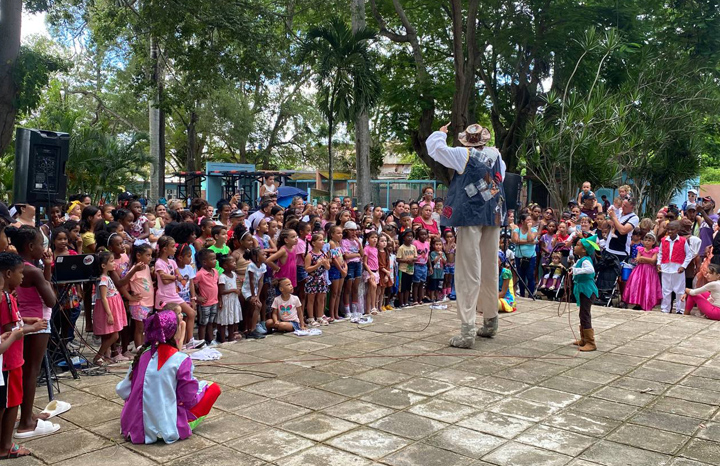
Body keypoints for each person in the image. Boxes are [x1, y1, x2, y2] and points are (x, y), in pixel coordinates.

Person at [426, 122, 507, 348]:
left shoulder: (464, 154)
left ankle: (467, 330)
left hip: (471, 214)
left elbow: (435, 149)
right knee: (490, 267)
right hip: (493, 214)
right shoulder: (497, 155)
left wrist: (439, 134)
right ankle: (491, 321)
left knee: (468, 270)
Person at [116, 308, 221, 444]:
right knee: (213, 388)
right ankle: (181, 425)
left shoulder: (142, 354)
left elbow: (123, 390)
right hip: (166, 427)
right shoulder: (180, 359)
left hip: (133, 427)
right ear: (174, 331)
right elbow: (189, 397)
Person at [5, 226, 60, 439]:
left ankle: (26, 413)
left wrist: (46, 268)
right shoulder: (33, 271)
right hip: (37, 322)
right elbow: (51, 300)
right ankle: (26, 421)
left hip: (20, 320)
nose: (43, 248)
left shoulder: (16, 266)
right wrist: (45, 273)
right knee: (32, 371)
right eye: (40, 245)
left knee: (26, 369)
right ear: (30, 246)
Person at [0, 252, 49, 458]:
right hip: (10, 360)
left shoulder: (8, 297)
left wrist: (25, 319)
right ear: (8, 273)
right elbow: (12, 330)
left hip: (11, 360)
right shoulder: (6, 299)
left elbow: (13, 322)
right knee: (11, 404)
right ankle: (5, 447)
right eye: (20, 273)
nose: (22, 277)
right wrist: (34, 327)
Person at [92, 251, 128, 365]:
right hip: (108, 309)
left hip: (113, 306)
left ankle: (105, 356)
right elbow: (103, 298)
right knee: (114, 335)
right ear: (103, 266)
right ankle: (98, 355)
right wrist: (109, 314)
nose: (114, 264)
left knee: (110, 334)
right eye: (111, 262)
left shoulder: (107, 277)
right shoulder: (103, 280)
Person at [570, 235, 600, 351]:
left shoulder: (586, 260)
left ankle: (590, 343)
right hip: (582, 290)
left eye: (577, 245)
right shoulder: (579, 260)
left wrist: (576, 271)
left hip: (587, 290)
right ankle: (584, 339)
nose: (574, 247)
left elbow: (590, 270)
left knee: (585, 314)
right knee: (582, 314)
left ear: (584, 250)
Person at [657, 221, 692, 314]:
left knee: (679, 290)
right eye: (668, 229)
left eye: (672, 229)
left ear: (677, 230)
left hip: (677, 269)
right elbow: (660, 253)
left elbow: (689, 255)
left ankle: (680, 309)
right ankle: (665, 309)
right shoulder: (664, 240)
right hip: (665, 268)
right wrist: (658, 263)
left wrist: (683, 266)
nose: (670, 231)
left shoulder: (683, 241)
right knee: (665, 290)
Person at [623, 232, 661, 311]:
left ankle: (647, 302)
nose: (647, 242)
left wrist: (643, 258)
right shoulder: (640, 249)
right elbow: (637, 259)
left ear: (653, 242)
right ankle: (638, 303)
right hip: (640, 270)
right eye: (645, 240)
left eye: (649, 240)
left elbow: (653, 260)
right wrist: (646, 260)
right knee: (638, 285)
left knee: (648, 286)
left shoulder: (655, 250)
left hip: (650, 271)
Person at [128, 244, 154, 349]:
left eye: (151, 255)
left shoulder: (147, 267)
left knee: (145, 327)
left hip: (148, 303)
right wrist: (130, 297)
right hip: (139, 304)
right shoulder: (134, 269)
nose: (150, 257)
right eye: (148, 255)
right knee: (139, 328)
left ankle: (144, 346)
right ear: (139, 255)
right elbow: (124, 284)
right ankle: (139, 348)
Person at [305, 233, 331, 326]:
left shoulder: (323, 254)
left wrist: (325, 263)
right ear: (314, 243)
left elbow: (328, 267)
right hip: (312, 279)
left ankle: (320, 316)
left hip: (321, 279)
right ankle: (311, 318)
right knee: (311, 299)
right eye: (320, 240)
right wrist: (318, 265)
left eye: (323, 240)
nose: (323, 242)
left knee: (321, 299)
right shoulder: (310, 255)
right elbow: (307, 268)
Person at [194, 249, 219, 345]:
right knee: (203, 323)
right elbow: (192, 285)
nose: (215, 261)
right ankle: (201, 341)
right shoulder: (200, 274)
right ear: (204, 262)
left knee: (211, 322)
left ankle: (210, 339)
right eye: (212, 259)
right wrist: (197, 296)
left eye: (215, 258)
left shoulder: (215, 272)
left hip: (214, 301)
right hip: (205, 303)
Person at [241, 248, 267, 338]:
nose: (265, 256)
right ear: (257, 258)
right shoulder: (251, 266)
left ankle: (252, 329)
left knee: (256, 306)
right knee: (256, 306)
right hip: (247, 290)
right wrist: (253, 296)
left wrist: (257, 296)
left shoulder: (263, 266)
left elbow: (261, 282)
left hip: (255, 291)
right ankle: (252, 330)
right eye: (263, 254)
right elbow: (251, 281)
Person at [341, 222, 363, 320]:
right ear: (346, 230)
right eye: (351, 230)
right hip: (350, 264)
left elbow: (362, 253)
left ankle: (354, 310)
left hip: (358, 264)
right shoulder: (344, 241)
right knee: (348, 288)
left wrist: (359, 243)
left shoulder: (357, 241)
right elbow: (346, 255)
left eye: (355, 230)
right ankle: (347, 310)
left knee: (355, 288)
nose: (354, 232)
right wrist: (357, 254)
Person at [512, 213, 538, 297]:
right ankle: (522, 294)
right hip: (519, 257)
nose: (530, 221)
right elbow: (516, 240)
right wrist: (529, 242)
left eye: (531, 220)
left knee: (530, 275)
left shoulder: (533, 230)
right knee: (521, 276)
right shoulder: (517, 230)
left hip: (530, 257)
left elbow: (531, 238)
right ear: (522, 221)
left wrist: (529, 228)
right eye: (528, 220)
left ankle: (531, 294)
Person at [217, 255, 241, 343]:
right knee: (224, 321)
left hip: (233, 301)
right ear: (225, 266)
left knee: (232, 320)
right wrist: (234, 290)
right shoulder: (222, 277)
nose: (235, 263)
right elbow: (221, 291)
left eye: (234, 261)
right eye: (232, 262)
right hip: (226, 301)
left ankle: (231, 337)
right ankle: (223, 340)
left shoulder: (234, 274)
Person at [327, 225, 348, 321]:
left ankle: (336, 313)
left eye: (341, 233)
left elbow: (342, 257)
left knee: (339, 292)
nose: (340, 235)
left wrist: (345, 267)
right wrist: (341, 269)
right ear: (332, 234)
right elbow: (334, 259)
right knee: (334, 293)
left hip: (342, 268)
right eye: (338, 233)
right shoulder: (331, 243)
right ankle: (332, 314)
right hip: (335, 269)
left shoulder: (338, 243)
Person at [396, 230, 417, 308]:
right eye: (408, 236)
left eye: (411, 236)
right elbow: (398, 259)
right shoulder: (401, 248)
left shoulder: (413, 247)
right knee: (402, 288)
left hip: (410, 270)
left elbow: (416, 257)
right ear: (404, 237)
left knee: (408, 287)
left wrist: (412, 260)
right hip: (403, 270)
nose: (410, 238)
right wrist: (406, 260)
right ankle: (401, 303)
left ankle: (406, 301)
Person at [362, 231, 380, 316]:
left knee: (371, 290)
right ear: (368, 239)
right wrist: (370, 273)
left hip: (375, 271)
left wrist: (377, 272)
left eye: (376, 237)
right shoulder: (366, 248)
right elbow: (365, 263)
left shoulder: (376, 249)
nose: (374, 239)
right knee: (373, 286)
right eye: (372, 237)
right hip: (369, 271)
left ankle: (368, 309)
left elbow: (376, 261)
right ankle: (373, 307)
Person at [428, 237, 447, 307]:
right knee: (433, 286)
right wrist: (439, 256)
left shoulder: (443, 254)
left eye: (440, 245)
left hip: (440, 273)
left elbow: (445, 262)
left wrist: (442, 257)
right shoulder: (433, 253)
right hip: (434, 273)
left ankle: (437, 296)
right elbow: (434, 261)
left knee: (439, 286)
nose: (438, 246)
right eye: (437, 244)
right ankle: (432, 297)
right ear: (433, 246)